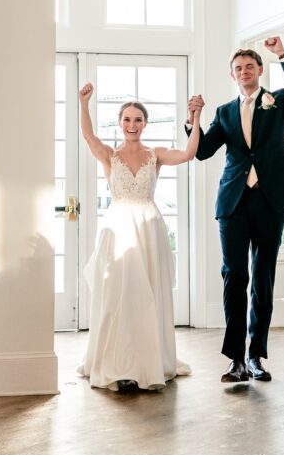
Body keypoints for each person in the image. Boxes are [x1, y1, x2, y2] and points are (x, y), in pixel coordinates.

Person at [188, 37, 284, 383]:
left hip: (271, 200)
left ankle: (257, 356)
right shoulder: (225, 112)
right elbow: (202, 151)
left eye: (249, 66)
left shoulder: (280, 102)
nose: (244, 72)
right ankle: (236, 360)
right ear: (232, 75)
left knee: (263, 278)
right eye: (238, 68)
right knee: (234, 276)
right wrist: (192, 119)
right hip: (233, 202)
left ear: (259, 70)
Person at [77, 84, 201, 391]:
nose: (132, 125)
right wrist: (83, 103)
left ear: (145, 124)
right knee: (118, 293)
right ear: (120, 123)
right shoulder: (109, 155)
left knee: (147, 293)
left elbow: (188, 153)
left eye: (138, 119)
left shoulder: (154, 155)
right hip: (119, 227)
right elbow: (88, 137)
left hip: (147, 227)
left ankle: (148, 362)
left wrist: (195, 117)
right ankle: (118, 364)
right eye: (127, 119)